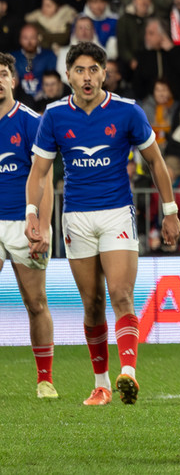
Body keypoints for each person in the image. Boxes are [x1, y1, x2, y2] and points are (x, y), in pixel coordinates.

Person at [24, 42, 180, 405]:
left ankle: (128, 373)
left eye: (93, 69)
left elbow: (156, 161)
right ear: (68, 75)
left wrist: (170, 210)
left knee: (121, 295)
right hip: (76, 218)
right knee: (93, 303)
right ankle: (102, 384)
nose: (87, 77)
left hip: (116, 213)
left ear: (104, 73)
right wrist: (32, 213)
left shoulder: (127, 111)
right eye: (80, 70)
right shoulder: (54, 115)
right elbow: (40, 171)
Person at [0, 54, 53, 398]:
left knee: (35, 302)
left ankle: (45, 379)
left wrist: (43, 226)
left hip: (23, 221)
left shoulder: (31, 122)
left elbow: (44, 179)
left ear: (13, 80)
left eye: (3, 74)